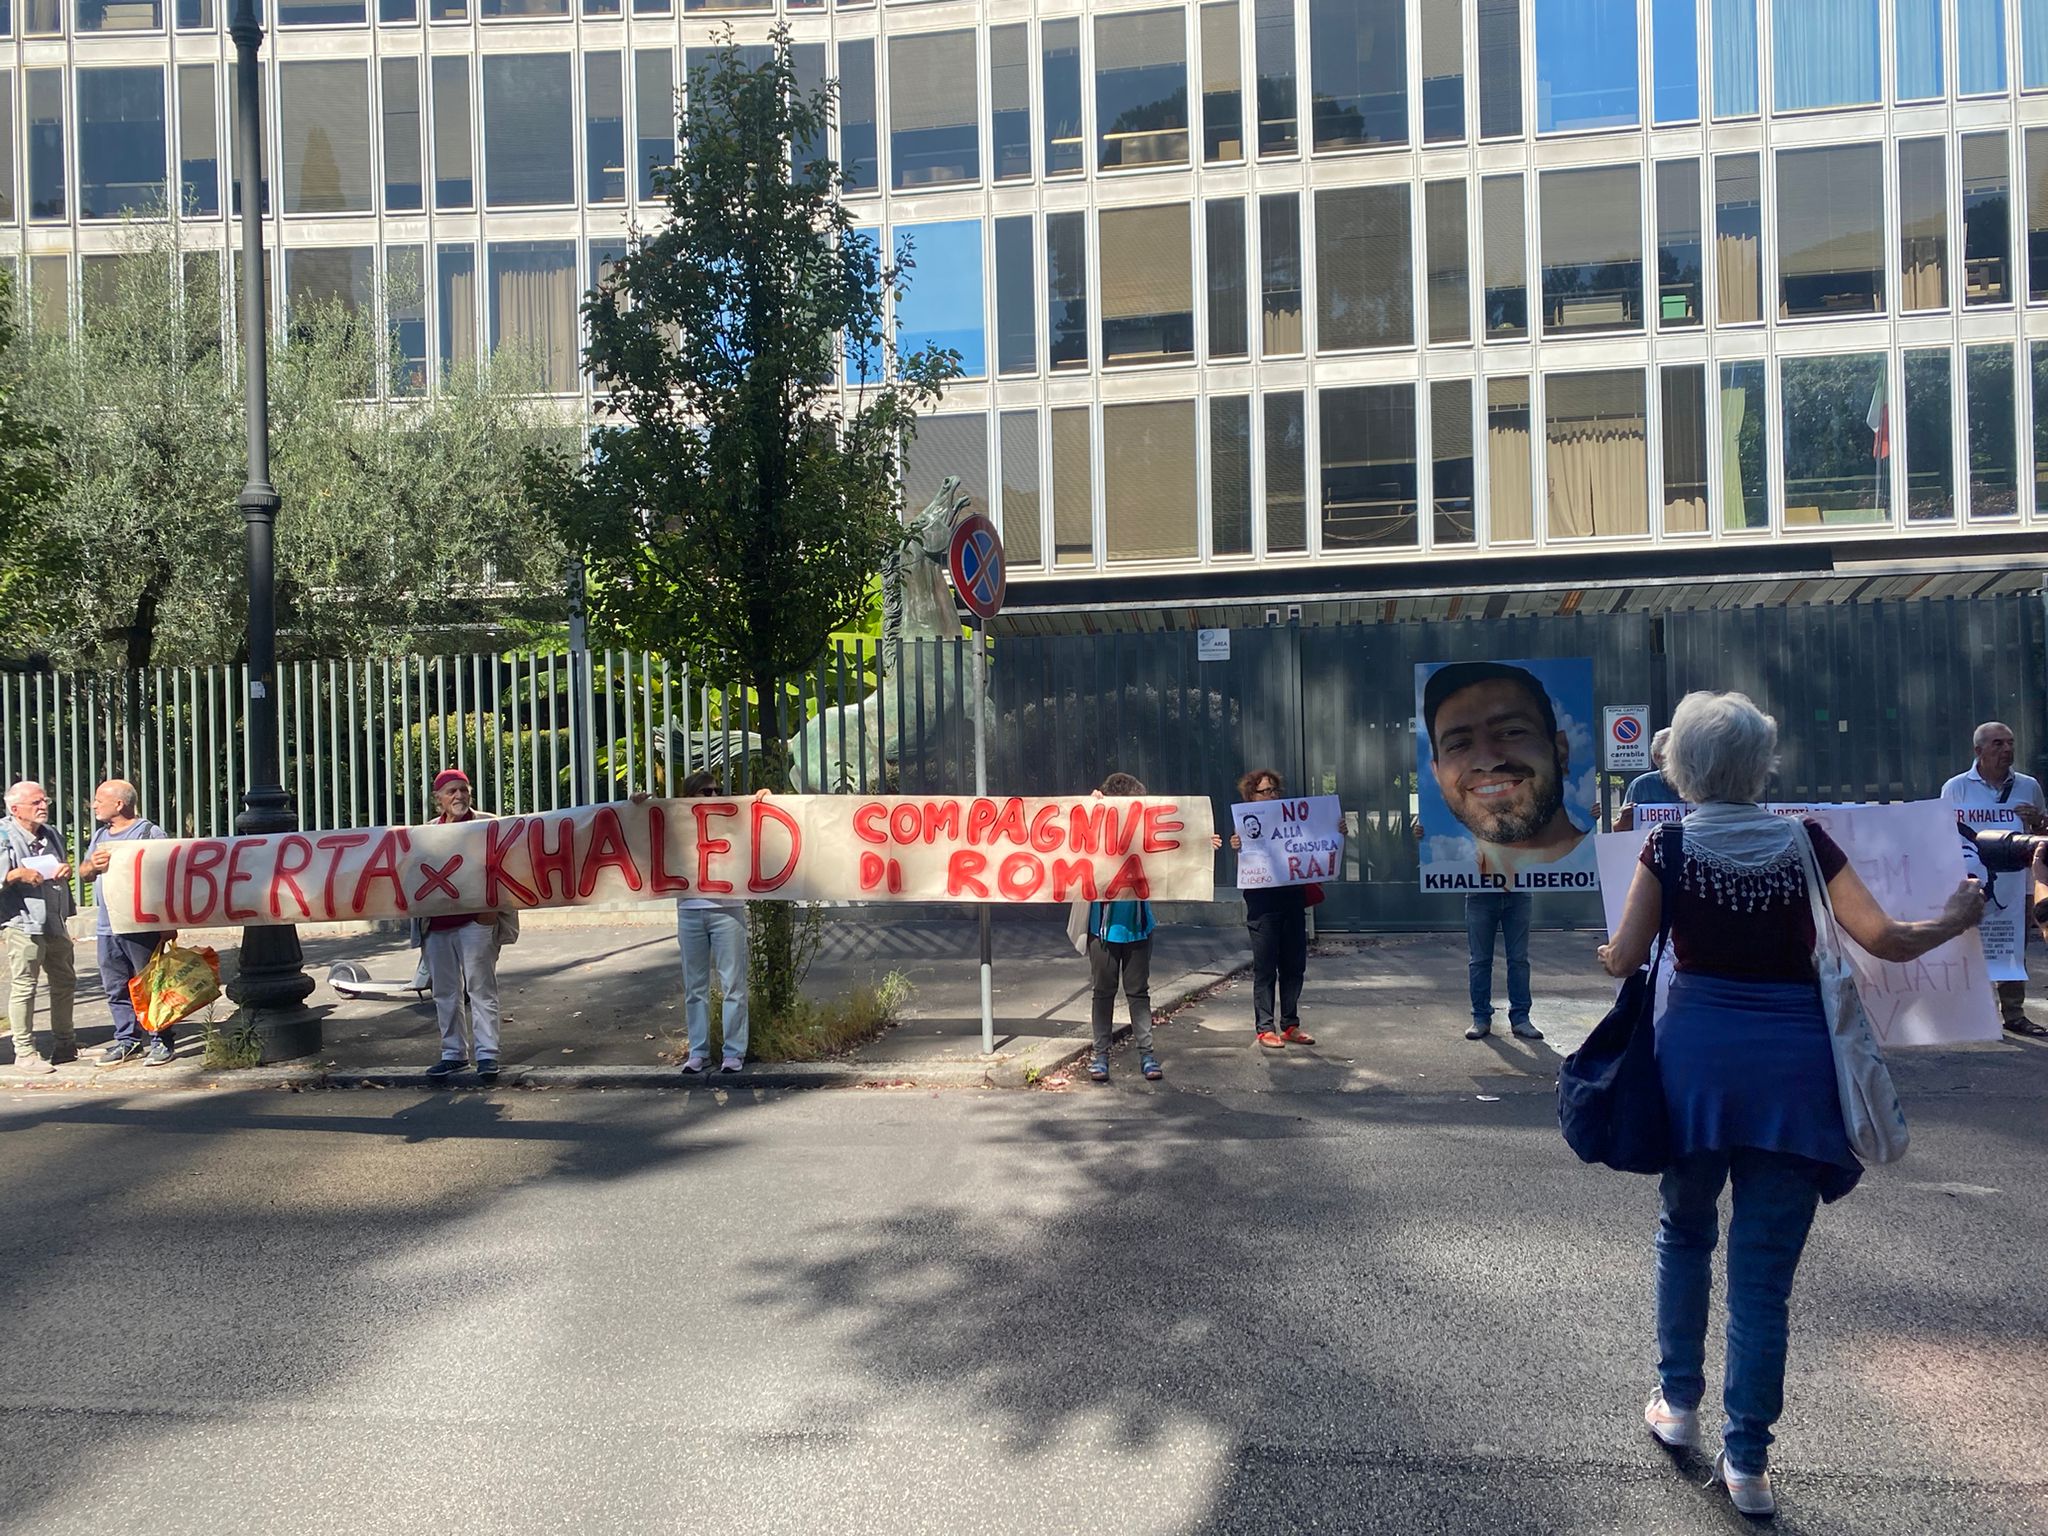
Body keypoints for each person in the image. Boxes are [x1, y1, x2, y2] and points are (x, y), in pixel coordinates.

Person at [1599, 691, 1986, 1519]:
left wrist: (1608, 945)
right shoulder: (1804, 840)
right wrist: (1956, 916)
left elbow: (1623, 959)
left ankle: (1677, 1403)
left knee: (1685, 1229)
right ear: (1759, 765)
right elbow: (1882, 939)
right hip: (1795, 1068)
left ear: (1682, 768)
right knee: (1764, 1275)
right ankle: (1748, 1463)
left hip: (1694, 1066)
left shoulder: (1665, 843)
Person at [1423, 661, 1592, 880]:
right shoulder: (1440, 875)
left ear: (1560, 751)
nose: (1487, 761)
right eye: (1458, 744)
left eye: (1511, 732)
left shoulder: (1609, 871)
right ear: (1436, 774)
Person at [1941, 720, 2048, 1037]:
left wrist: (2039, 821)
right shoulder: (1956, 787)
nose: (2007, 749)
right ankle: (1971, 1014)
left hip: (2018, 882)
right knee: (1968, 943)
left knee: (2013, 942)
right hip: (1972, 880)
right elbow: (1944, 833)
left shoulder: (2028, 786)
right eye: (1998, 743)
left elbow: (2043, 836)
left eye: (2010, 742)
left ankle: (2014, 1013)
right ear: (1978, 751)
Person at [418, 768, 517, 1083]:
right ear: (439, 800)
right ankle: (453, 1055)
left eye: (464, 790)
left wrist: (492, 910)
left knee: (480, 988)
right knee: (445, 992)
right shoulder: (424, 834)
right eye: (452, 792)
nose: (459, 796)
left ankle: (487, 1055)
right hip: (436, 924)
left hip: (476, 920)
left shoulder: (489, 824)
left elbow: (505, 868)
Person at [79, 780, 178, 1066]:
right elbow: (84, 874)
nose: (94, 805)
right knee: (116, 986)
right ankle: (128, 1040)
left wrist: (166, 922)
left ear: (119, 804)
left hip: (140, 925)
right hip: (107, 926)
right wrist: (92, 866)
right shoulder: (100, 835)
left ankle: (160, 1038)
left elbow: (164, 877)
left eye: (99, 800)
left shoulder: (149, 832)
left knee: (150, 983)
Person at [1080, 772, 1164, 1084]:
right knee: (1103, 992)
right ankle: (1100, 1055)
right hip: (1102, 928)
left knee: (1138, 992)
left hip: (1138, 926)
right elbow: (1072, 835)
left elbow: (1176, 849)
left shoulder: (1144, 832)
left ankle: (1147, 1053)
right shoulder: (1094, 829)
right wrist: (1091, 807)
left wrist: (1199, 842)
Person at [1231, 768, 1314, 1051]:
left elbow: (1318, 842)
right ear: (1251, 796)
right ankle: (1265, 1028)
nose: (1272, 795)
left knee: (1294, 966)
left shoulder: (1295, 822)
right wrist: (1237, 847)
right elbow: (1245, 867)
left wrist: (1336, 832)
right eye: (1265, 791)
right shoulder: (1245, 827)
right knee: (1265, 969)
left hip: (1292, 900)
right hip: (1263, 906)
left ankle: (1290, 1024)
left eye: (1275, 790)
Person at [675, 768, 749, 1075]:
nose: (715, 797)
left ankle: (733, 1052)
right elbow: (639, 829)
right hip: (690, 910)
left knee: (733, 984)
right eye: (707, 792)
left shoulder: (732, 822)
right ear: (689, 797)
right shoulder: (675, 825)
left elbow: (760, 825)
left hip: (727, 910)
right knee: (695, 987)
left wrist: (764, 802)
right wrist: (637, 804)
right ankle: (699, 1051)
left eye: (718, 791)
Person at [2, 781, 76, 1074]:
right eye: (36, 802)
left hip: (53, 918)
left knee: (65, 980)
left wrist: (65, 868)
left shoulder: (51, 834)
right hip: (22, 922)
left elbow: (61, 866)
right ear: (15, 809)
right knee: (25, 986)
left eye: (44, 801)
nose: (43, 806)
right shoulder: (4, 835)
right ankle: (25, 1052)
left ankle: (65, 1044)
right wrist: (17, 874)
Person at [1465, 888, 1539, 1041]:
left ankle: (1520, 1018)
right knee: (1480, 960)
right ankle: (1480, 1018)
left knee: (1518, 960)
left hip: (1518, 893)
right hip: (1480, 894)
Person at [1615, 728, 1685, 832]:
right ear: (1658, 757)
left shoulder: (1704, 783)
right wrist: (1623, 822)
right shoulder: (1642, 786)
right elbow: (1618, 830)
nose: (1683, 758)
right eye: (1675, 753)